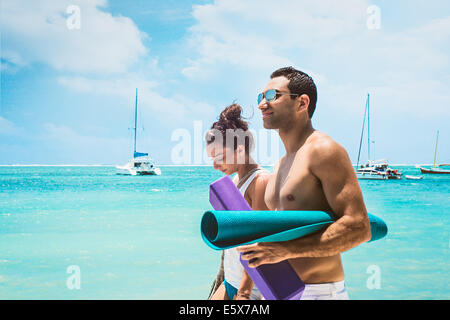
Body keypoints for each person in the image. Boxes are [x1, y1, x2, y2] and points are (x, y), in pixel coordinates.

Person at [238, 66, 372, 300]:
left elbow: (359, 227)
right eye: (261, 97)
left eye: (273, 96)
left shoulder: (323, 150)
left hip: (318, 292)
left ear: (302, 103)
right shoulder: (280, 164)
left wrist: (284, 251)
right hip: (278, 291)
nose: (262, 104)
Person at [205, 103, 270, 300]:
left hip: (252, 290)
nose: (215, 166)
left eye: (220, 157)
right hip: (230, 280)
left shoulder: (260, 181)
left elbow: (259, 242)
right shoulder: (234, 182)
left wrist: (243, 293)